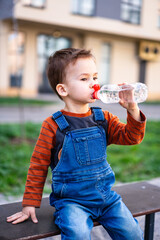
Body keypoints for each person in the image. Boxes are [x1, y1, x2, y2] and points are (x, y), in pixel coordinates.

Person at [7, 48, 146, 240]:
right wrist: (29, 203)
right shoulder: (53, 125)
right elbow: (38, 165)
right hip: (72, 202)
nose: (94, 85)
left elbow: (132, 137)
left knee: (133, 233)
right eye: (84, 79)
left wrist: (133, 109)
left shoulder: (103, 118)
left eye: (95, 78)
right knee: (77, 234)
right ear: (63, 89)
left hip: (106, 198)